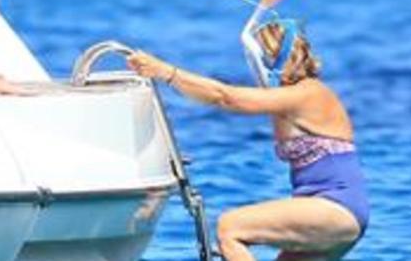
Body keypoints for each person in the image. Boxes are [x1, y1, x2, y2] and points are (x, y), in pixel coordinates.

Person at [127, 19, 370, 261]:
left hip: (337, 206)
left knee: (230, 228)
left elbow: (225, 97)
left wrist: (165, 72)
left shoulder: (308, 94)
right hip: (329, 211)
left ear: (277, 59)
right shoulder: (289, 98)